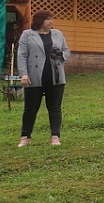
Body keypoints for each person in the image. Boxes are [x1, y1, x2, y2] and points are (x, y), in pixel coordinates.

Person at [16, 10, 70, 147]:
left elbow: (66, 50)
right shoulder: (27, 35)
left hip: (55, 77)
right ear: (39, 21)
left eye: (51, 19)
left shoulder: (58, 34)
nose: (51, 22)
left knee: (55, 108)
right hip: (34, 77)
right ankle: (25, 136)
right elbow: (21, 55)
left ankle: (55, 136)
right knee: (30, 108)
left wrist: (60, 55)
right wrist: (23, 74)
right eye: (48, 19)